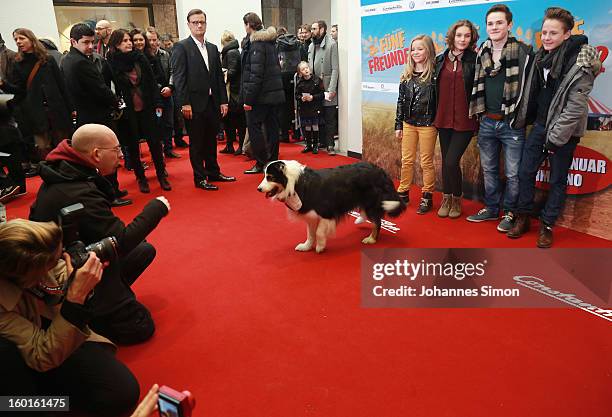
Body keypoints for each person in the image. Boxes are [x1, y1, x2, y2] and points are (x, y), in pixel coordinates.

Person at [30, 124, 170, 345]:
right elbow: (121, 241)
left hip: (73, 254)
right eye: (116, 150)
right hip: (61, 275)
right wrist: (157, 209)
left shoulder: (66, 171)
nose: (121, 155)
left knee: (143, 249)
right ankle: (94, 311)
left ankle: (109, 296)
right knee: (140, 326)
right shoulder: (78, 190)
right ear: (96, 154)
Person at [0, 219, 140, 416]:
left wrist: (78, 274)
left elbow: (55, 275)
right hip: (15, 363)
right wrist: (75, 298)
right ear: (30, 276)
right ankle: (39, 405)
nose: (60, 260)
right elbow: (42, 355)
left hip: (48, 327)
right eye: (54, 261)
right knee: (17, 395)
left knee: (122, 392)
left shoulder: (18, 246)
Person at [508, 7, 601, 248]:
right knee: (525, 172)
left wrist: (556, 138)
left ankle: (547, 225)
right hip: (540, 126)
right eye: (544, 32)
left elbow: (575, 108)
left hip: (565, 131)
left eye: (553, 33)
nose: (547, 37)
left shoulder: (581, 62)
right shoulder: (541, 57)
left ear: (567, 34)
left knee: (558, 180)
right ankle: (523, 216)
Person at [466, 4, 533, 232]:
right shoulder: (481, 53)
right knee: (490, 169)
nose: (494, 27)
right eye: (490, 23)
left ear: (509, 25)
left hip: (511, 123)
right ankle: (492, 208)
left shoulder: (523, 52)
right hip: (486, 121)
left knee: (513, 173)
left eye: (499, 22)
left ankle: (510, 212)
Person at [60, 23, 131, 207]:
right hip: (97, 116)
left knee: (96, 158)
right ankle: (110, 194)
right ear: (73, 41)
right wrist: (117, 103)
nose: (90, 46)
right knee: (106, 156)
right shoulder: (81, 62)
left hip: (85, 116)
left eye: (92, 42)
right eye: (86, 42)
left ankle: (111, 191)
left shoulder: (67, 60)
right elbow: (100, 89)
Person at [171, 8, 236, 190]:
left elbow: (218, 78)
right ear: (189, 25)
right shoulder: (181, 47)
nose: (199, 25)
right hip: (193, 104)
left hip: (212, 103)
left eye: (202, 22)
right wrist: (184, 103)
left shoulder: (213, 48)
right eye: (195, 22)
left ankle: (213, 172)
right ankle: (200, 178)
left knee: (211, 140)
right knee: (197, 143)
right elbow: (179, 78)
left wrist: (223, 100)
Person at [106, 29, 171, 193]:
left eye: (129, 40)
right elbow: (108, 87)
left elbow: (151, 83)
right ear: (116, 45)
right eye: (124, 41)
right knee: (133, 147)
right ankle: (141, 177)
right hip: (127, 111)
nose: (129, 43)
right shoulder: (111, 62)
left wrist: (158, 104)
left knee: (155, 143)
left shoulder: (140, 58)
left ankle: (161, 174)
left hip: (147, 107)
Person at [1, 28, 73, 161]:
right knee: (43, 148)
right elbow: (20, 90)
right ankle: (51, 175)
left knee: (64, 145)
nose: (18, 42)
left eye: (21, 38)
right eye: (16, 39)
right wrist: (3, 85)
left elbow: (62, 85)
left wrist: (71, 109)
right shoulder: (18, 63)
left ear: (31, 39)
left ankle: (70, 173)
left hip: (57, 109)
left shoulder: (48, 59)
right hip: (36, 113)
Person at [434, 20, 479, 219]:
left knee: (452, 161)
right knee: (446, 161)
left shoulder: (475, 60)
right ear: (452, 37)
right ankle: (447, 197)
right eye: (459, 35)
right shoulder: (440, 60)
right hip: (443, 118)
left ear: (471, 38)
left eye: (467, 36)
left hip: (465, 120)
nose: (462, 39)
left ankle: (457, 198)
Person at [394, 34, 438, 214]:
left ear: (428, 50)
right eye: (413, 49)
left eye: (420, 48)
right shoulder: (406, 75)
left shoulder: (435, 75)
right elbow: (400, 101)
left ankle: (427, 195)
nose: (416, 52)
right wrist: (398, 125)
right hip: (408, 123)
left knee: (426, 162)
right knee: (407, 160)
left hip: (428, 124)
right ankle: (402, 192)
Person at [241, 12, 285, 174]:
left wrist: (248, 99)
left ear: (248, 25)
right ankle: (273, 160)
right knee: (272, 127)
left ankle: (261, 162)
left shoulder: (257, 45)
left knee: (254, 127)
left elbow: (256, 75)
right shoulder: (270, 42)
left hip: (261, 96)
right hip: (273, 95)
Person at [146, 27, 180, 159]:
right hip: (153, 96)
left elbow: (173, 71)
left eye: (155, 39)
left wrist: (170, 87)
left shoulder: (165, 54)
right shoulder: (144, 56)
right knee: (156, 124)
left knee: (169, 122)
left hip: (167, 93)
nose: (153, 42)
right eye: (150, 40)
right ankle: (157, 151)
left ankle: (169, 149)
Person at [308, 20, 339, 155]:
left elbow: (335, 69)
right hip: (314, 88)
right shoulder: (311, 46)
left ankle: (330, 145)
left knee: (330, 117)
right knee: (317, 116)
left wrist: (331, 89)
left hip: (326, 87)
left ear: (322, 30)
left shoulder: (331, 45)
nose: (312, 31)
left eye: (314, 29)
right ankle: (321, 142)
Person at [220, 30, 246, 155]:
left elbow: (232, 72)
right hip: (234, 91)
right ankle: (231, 145)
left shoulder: (230, 52)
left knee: (236, 121)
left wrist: (220, 74)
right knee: (230, 120)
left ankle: (238, 146)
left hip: (234, 92)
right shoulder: (234, 51)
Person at [276, 28, 302, 142]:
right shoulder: (297, 44)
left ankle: (285, 134)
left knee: (283, 109)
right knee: (296, 107)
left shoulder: (278, 45)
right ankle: (297, 133)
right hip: (296, 78)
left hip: (282, 80)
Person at [295, 61, 324, 153]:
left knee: (315, 126)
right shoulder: (300, 83)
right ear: (300, 73)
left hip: (315, 107)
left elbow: (322, 94)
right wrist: (301, 98)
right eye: (303, 69)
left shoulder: (317, 80)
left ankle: (316, 145)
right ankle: (308, 145)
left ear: (310, 69)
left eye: (307, 68)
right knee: (307, 126)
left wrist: (313, 97)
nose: (306, 70)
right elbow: (296, 95)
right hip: (304, 108)